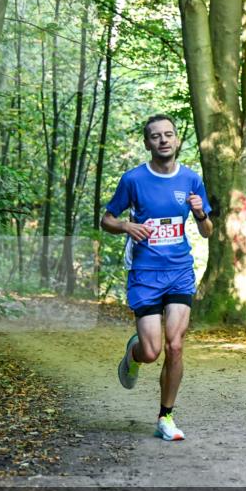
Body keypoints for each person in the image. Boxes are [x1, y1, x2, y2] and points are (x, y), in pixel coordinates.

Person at [101, 114, 213, 441]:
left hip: (180, 271)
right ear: (147, 142)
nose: (163, 140)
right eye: (155, 136)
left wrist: (201, 214)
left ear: (177, 140)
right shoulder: (133, 180)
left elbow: (207, 232)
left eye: (169, 135)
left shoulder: (191, 180)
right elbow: (107, 219)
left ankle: (166, 416)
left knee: (175, 346)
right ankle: (134, 353)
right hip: (145, 274)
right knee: (152, 352)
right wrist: (125, 225)